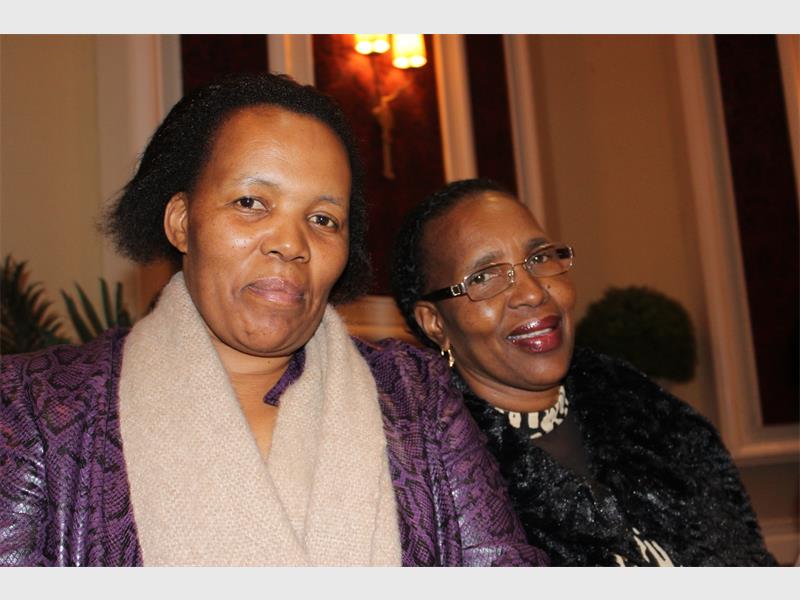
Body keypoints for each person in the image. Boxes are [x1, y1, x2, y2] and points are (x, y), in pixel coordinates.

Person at [0, 76, 547, 567]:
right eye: (251, 203)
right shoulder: (38, 404)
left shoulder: (416, 393)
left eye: (322, 218)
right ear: (182, 222)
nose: (291, 242)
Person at [391, 177, 777, 566]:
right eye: (484, 276)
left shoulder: (656, 420)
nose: (532, 292)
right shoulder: (432, 482)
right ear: (435, 323)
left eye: (539, 258)